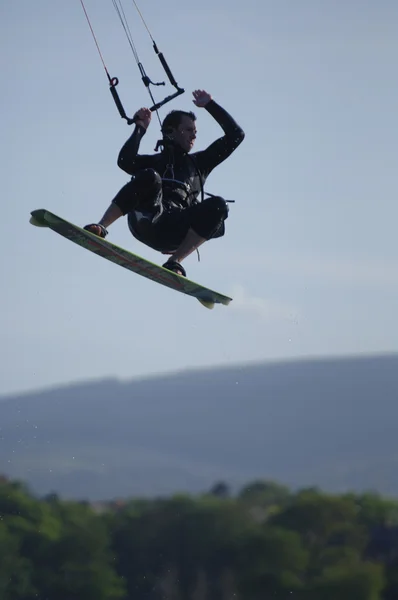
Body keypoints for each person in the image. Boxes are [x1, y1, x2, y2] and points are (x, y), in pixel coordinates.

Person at [84, 89, 245, 276]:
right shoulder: (152, 162)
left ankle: (175, 262)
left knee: (219, 205)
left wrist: (210, 105)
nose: (194, 136)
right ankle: (101, 227)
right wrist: (140, 128)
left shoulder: (200, 164)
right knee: (151, 176)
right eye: (188, 130)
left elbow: (236, 135)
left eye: (195, 132)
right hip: (146, 220)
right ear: (171, 131)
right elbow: (124, 161)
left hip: (176, 230)